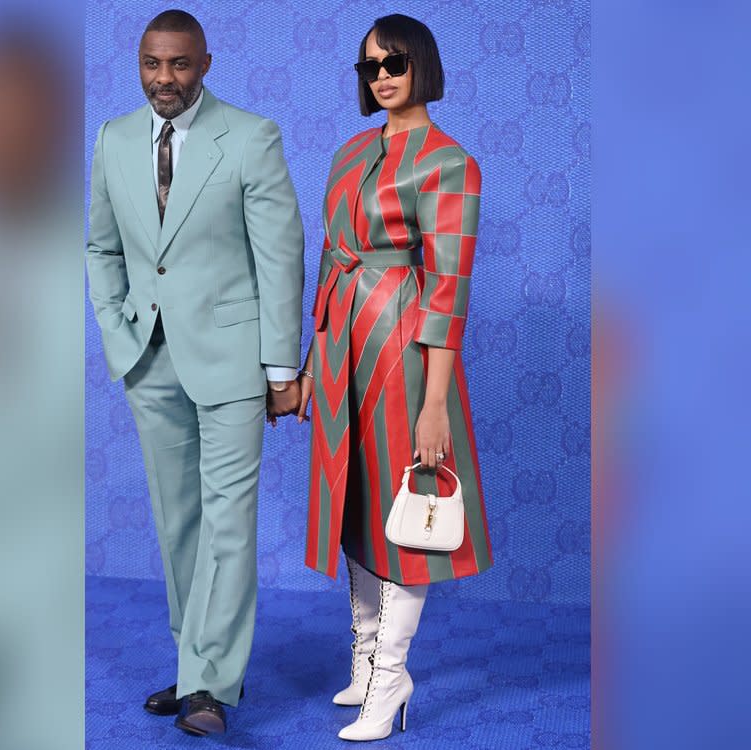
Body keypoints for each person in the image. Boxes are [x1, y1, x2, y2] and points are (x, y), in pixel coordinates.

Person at [85, 9, 304, 739]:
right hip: (148, 357)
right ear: (139, 64)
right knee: (178, 521)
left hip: (235, 360)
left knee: (228, 524)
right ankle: (191, 667)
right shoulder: (113, 139)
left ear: (204, 64)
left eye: (179, 64)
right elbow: (101, 247)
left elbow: (280, 256)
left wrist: (281, 367)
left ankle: (210, 682)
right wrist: (116, 327)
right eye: (152, 63)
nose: (164, 79)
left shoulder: (250, 136)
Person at [296, 14, 493, 741]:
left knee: (404, 508)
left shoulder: (450, 164)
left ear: (423, 67)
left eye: (395, 61)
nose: (381, 74)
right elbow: (327, 261)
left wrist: (434, 403)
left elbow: (448, 291)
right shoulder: (350, 154)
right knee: (355, 500)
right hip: (344, 343)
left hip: (403, 347)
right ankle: (366, 655)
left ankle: (392, 676)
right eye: (369, 65)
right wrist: (316, 360)